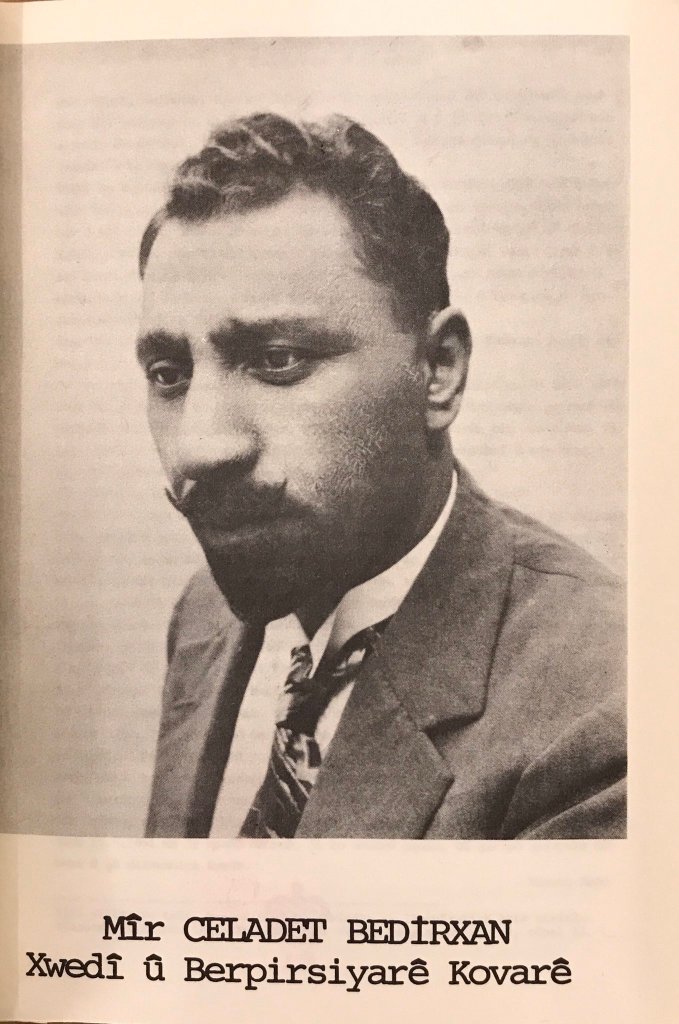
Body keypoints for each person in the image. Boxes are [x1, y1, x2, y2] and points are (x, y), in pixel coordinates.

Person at [137, 112, 625, 840]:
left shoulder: (606, 701)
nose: (201, 447)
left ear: (438, 371)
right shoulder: (208, 613)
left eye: (277, 360)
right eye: (170, 374)